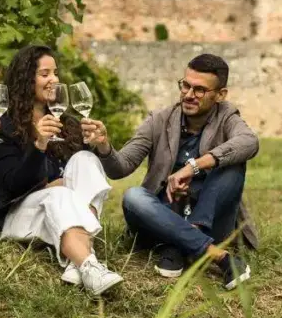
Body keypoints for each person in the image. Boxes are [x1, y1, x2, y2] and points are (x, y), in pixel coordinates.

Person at [81, 53, 258, 290]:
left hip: (209, 220)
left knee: (233, 163)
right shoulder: (159, 119)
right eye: (185, 85)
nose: (188, 95)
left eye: (199, 90)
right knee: (134, 196)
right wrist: (103, 145)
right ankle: (215, 255)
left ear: (220, 95)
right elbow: (120, 167)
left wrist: (194, 166)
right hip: (161, 217)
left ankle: (181, 243)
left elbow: (249, 142)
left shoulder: (227, 116)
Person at [0, 45, 123, 296]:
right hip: (17, 216)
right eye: (45, 74)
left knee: (84, 159)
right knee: (59, 194)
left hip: (59, 211)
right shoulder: (4, 126)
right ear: (26, 79)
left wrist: (100, 144)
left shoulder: (66, 123)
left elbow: (84, 181)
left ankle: (76, 260)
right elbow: (13, 184)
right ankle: (90, 265)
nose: (54, 80)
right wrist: (39, 145)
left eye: (55, 73)